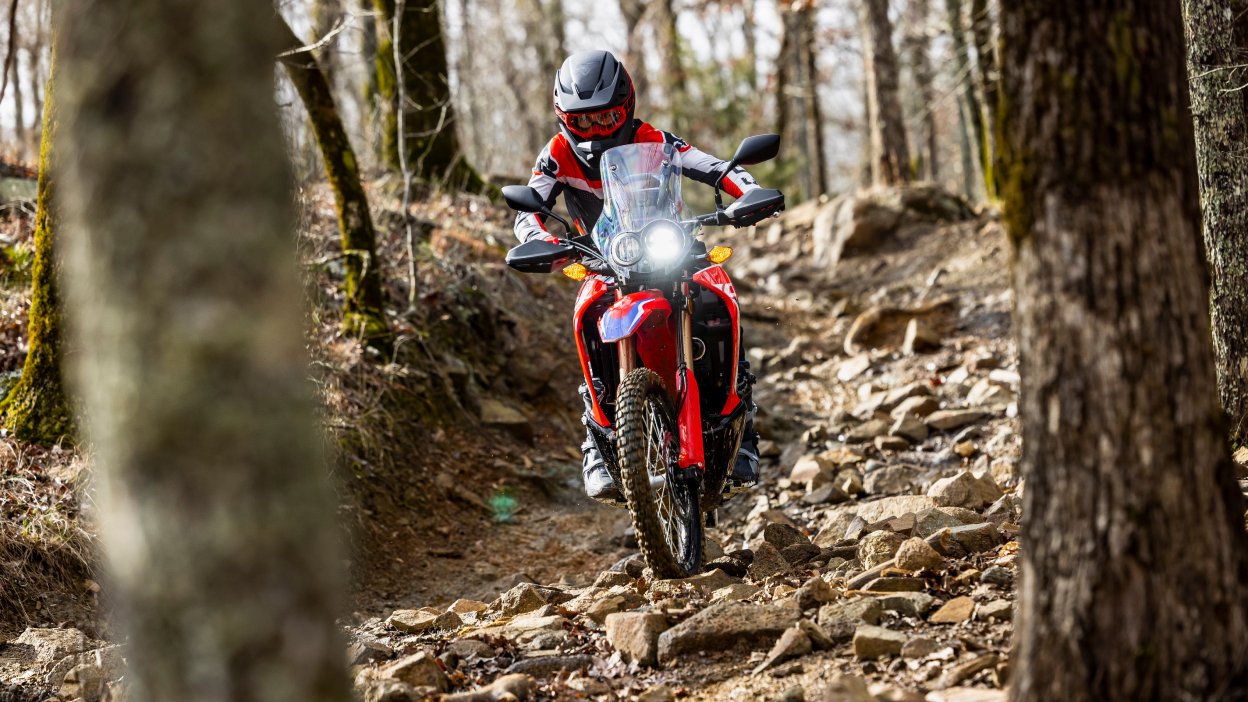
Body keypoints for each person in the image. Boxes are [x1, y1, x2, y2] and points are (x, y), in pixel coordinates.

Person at [512, 49, 763, 504]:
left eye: (605, 117)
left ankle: (744, 429)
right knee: (586, 314)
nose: (593, 130)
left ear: (626, 105)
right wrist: (543, 241)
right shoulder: (556, 154)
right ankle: (596, 435)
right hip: (604, 258)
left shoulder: (656, 139)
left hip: (673, 247)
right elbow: (531, 207)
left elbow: (717, 168)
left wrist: (750, 192)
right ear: (562, 117)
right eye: (581, 121)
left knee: (721, 297)